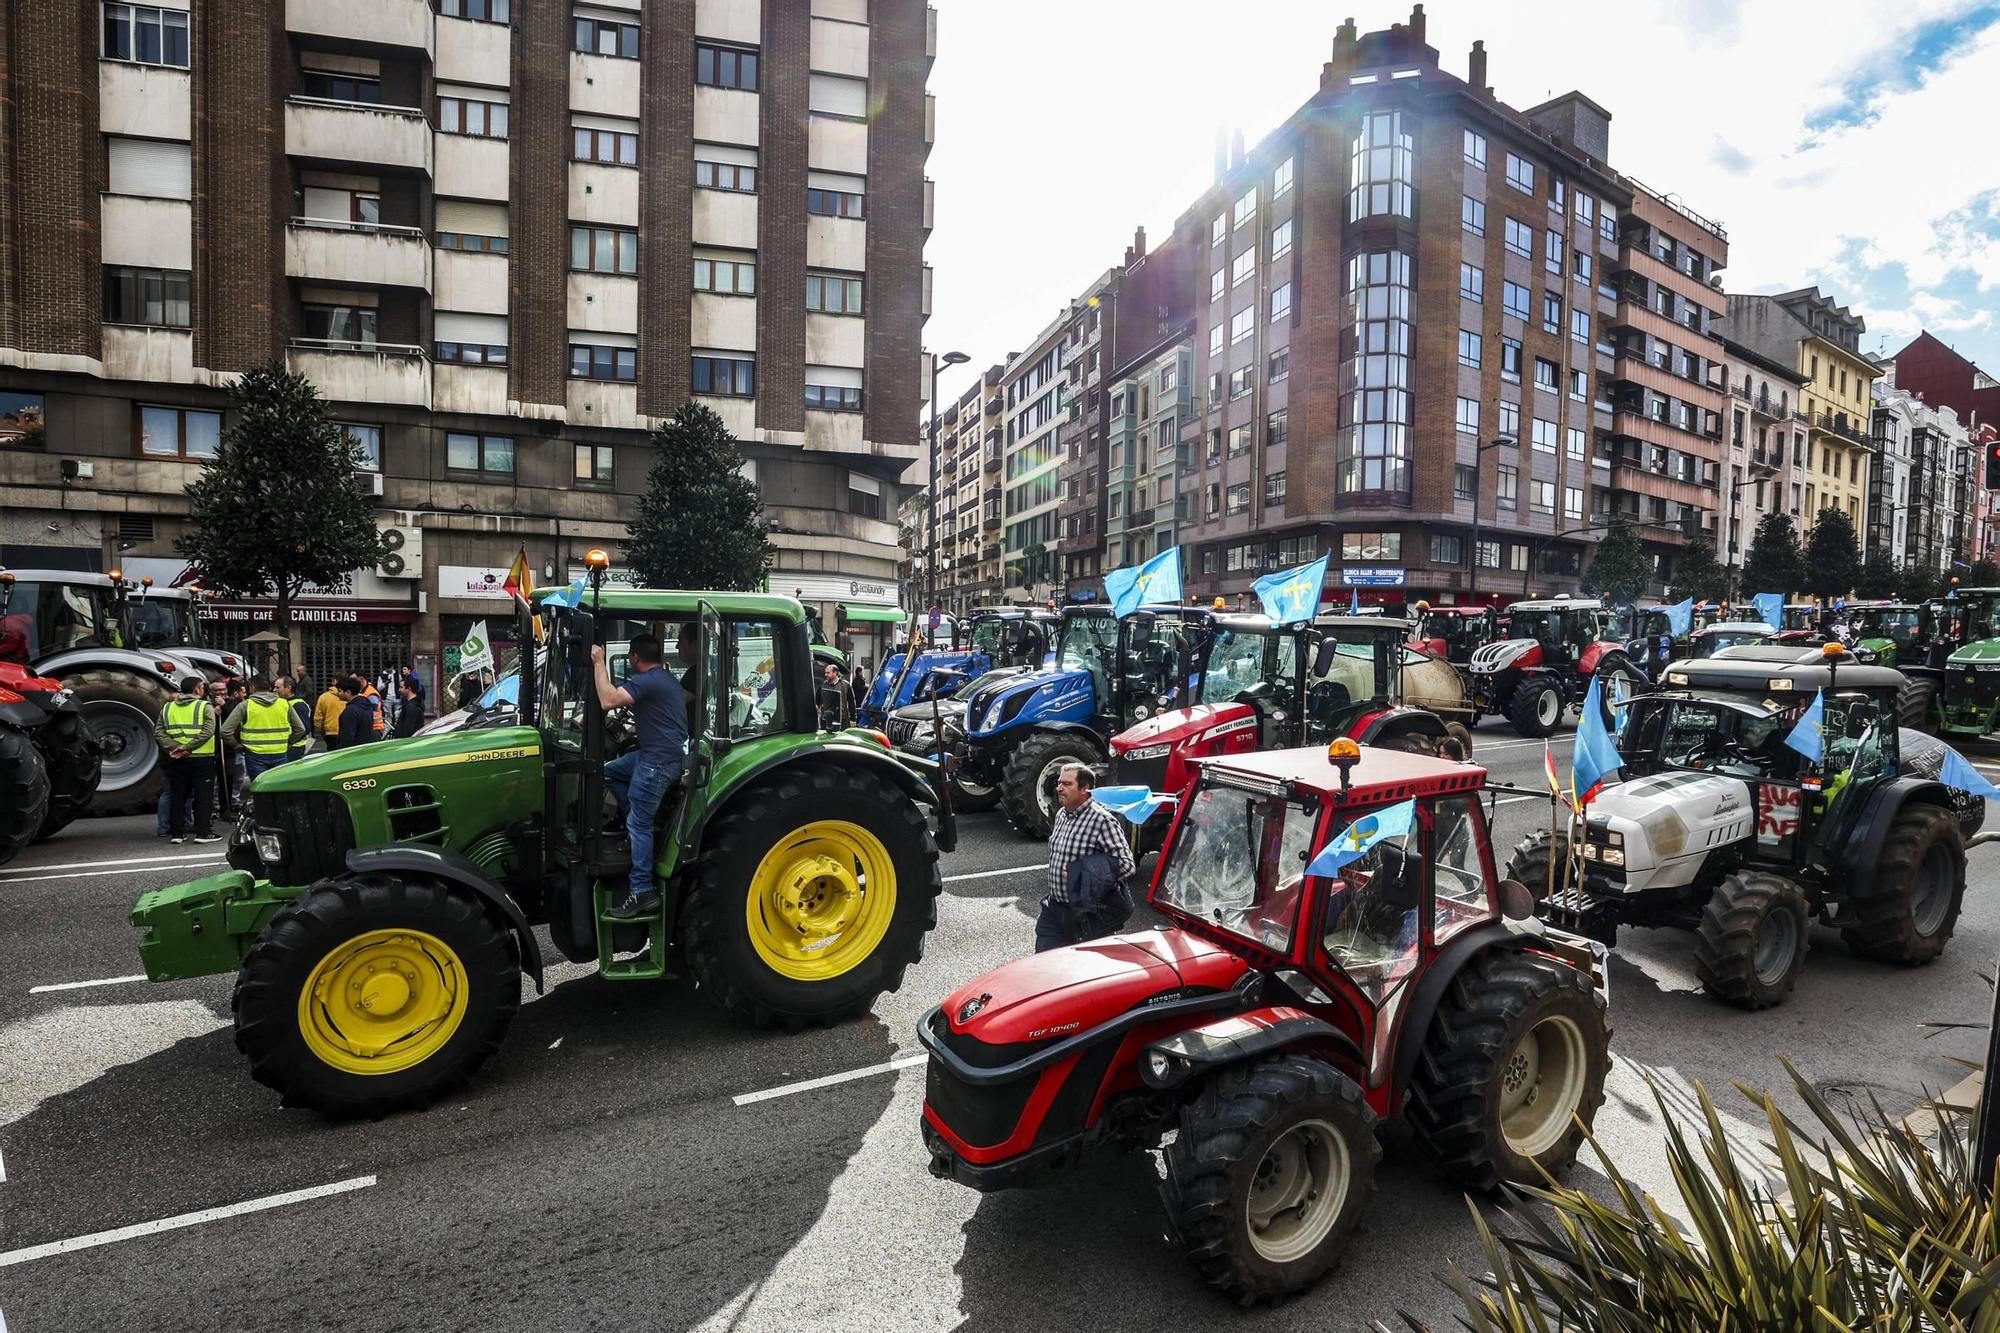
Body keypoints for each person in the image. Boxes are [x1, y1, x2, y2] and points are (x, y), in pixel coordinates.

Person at [592, 632, 690, 919]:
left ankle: (641, 891)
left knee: (639, 822)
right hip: (657, 755)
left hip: (657, 763)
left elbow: (608, 700)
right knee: (608, 772)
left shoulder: (647, 681)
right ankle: (636, 837)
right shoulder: (665, 679)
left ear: (635, 657)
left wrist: (599, 661)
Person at [1036, 763, 1136, 952]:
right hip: (1054, 909)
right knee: (1043, 965)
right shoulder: (1061, 815)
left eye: (1066, 784)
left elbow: (1127, 865)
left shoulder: (1102, 820)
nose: (1059, 788)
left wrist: (1082, 873)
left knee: (1083, 971)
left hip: (1086, 912)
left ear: (1085, 789)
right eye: (1059, 783)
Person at [154, 676, 221, 844]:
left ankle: (177, 833)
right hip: (201, 757)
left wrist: (174, 747)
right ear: (197, 689)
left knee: (178, 796)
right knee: (203, 796)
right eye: (202, 687)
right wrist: (187, 747)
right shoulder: (204, 706)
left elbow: (159, 732)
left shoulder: (168, 708)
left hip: (176, 759)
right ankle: (203, 833)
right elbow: (208, 731)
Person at [224, 674, 307, 788]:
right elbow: (300, 729)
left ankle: (262, 805)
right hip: (280, 752)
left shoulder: (246, 705)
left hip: (254, 755)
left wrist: (236, 746)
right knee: (279, 788)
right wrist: (288, 742)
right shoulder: (284, 704)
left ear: (252, 687)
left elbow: (225, 731)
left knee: (260, 787)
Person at [334, 675, 376, 749]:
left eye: (340, 691)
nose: (337, 694)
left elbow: (347, 737)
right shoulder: (367, 706)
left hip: (352, 752)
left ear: (348, 692)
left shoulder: (350, 711)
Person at [279, 675, 312, 762]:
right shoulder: (284, 703)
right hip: (288, 746)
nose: (274, 690)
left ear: (288, 688)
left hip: (294, 747)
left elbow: (305, 728)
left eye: (278, 687)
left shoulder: (298, 704)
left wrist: (290, 741)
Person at [313, 676, 345, 752]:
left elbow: (318, 719)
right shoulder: (349, 696)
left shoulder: (323, 697)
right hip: (346, 732)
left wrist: (322, 732)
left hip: (330, 732)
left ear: (333, 682)